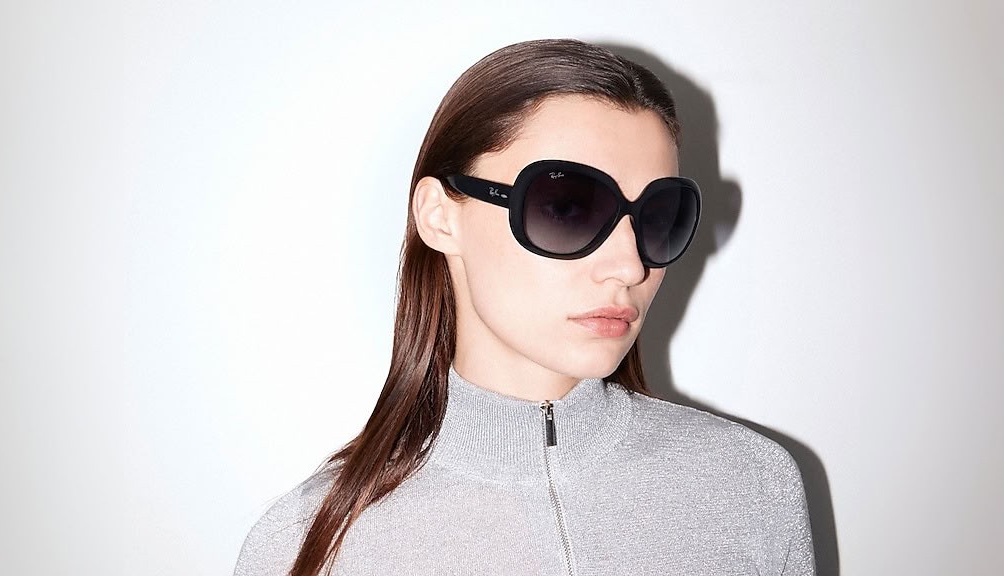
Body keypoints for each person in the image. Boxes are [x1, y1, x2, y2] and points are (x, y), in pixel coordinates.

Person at [233, 38, 815, 576]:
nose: (630, 266)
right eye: (566, 207)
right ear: (440, 217)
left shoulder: (749, 485)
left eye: (658, 217)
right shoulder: (309, 547)